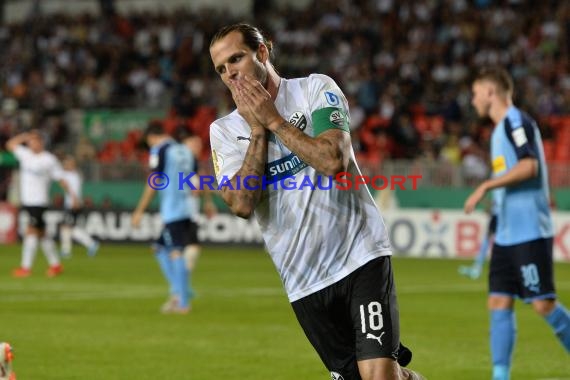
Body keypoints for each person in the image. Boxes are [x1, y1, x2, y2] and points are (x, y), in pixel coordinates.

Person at [209, 23, 422, 380]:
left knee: (379, 376)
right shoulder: (224, 131)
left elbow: (333, 161)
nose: (230, 73)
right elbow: (242, 204)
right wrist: (258, 130)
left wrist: (274, 121)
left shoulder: (315, 89)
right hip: (303, 279)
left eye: (236, 59)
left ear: (263, 52)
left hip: (359, 254)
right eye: (221, 69)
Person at [464, 67, 570, 380]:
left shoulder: (516, 122)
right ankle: (500, 376)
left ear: (489, 92)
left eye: (475, 93)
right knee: (498, 301)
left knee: (543, 305)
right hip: (508, 236)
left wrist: (487, 185)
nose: (472, 101)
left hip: (529, 232)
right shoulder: (498, 131)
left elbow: (530, 166)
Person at [131, 122, 197, 314]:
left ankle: (182, 301)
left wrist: (139, 211)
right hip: (187, 208)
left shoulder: (160, 150)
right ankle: (179, 291)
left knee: (175, 252)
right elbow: (194, 181)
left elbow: (153, 182)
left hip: (173, 210)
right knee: (160, 247)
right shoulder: (185, 150)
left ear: (152, 137)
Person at [7, 130, 77, 278]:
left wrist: (72, 196)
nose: (31, 143)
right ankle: (56, 265)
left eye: (35, 140)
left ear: (41, 142)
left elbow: (61, 179)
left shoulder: (49, 159)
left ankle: (26, 268)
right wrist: (24, 136)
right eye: (30, 140)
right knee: (42, 234)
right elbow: (10, 144)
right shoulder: (25, 154)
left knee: (30, 232)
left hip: (39, 201)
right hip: (27, 201)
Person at [59, 155, 100, 258]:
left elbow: (72, 190)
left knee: (66, 227)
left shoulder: (73, 176)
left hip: (72, 204)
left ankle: (68, 250)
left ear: (72, 165)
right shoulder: (74, 174)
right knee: (70, 228)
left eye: (67, 163)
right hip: (73, 203)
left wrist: (74, 201)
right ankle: (90, 244)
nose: (65, 165)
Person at [458, 212, 496, 280]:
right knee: (487, 239)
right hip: (500, 217)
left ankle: (477, 268)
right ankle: (477, 267)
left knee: (488, 239)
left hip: (500, 217)